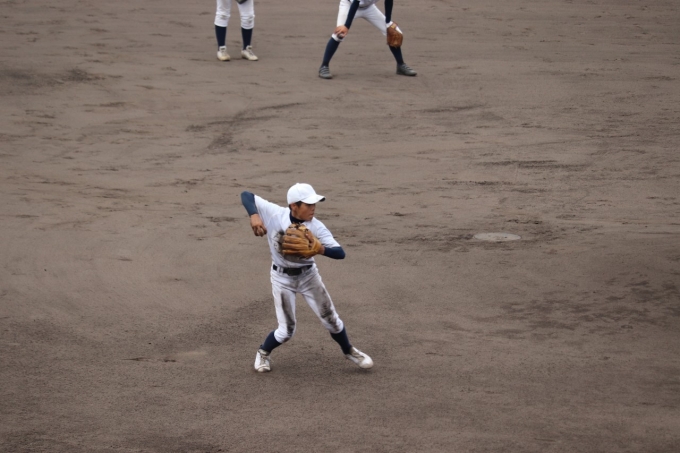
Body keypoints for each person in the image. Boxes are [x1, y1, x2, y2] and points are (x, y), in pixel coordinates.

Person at [240, 183, 373, 372]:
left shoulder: (316, 226)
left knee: (332, 320)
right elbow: (246, 195)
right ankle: (263, 352)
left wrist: (320, 249)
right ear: (294, 205)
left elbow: (340, 253)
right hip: (282, 279)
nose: (313, 208)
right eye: (308, 204)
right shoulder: (275, 214)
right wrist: (254, 215)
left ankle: (349, 350)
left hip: (308, 277)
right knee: (286, 331)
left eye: (314, 204)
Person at [319, 0, 417, 79]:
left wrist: (388, 23)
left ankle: (400, 65)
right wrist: (346, 27)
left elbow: (388, 1)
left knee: (394, 32)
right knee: (339, 34)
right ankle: (324, 66)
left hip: (369, 8)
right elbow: (356, 3)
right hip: (349, 5)